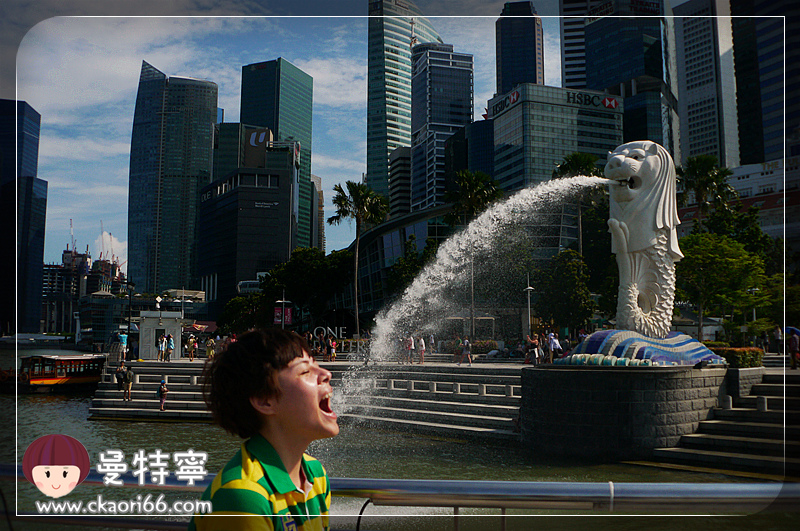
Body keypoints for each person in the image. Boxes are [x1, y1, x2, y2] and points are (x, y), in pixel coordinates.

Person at [189, 328, 338, 531]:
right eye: (305, 371)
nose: (326, 374)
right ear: (264, 401)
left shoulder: (315, 474)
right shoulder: (243, 496)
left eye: (317, 364)